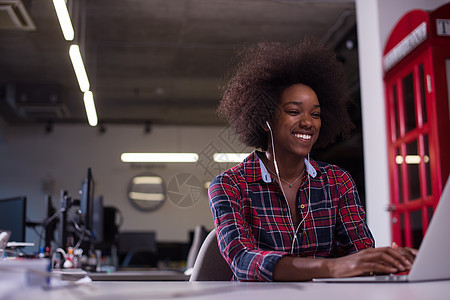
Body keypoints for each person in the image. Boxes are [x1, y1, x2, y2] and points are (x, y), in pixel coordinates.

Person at [208, 37, 417, 282]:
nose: (308, 122)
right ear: (265, 119)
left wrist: (383, 260)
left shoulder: (337, 181)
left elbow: (359, 250)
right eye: (294, 111)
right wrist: (332, 267)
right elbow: (243, 261)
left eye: (315, 114)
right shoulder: (228, 185)